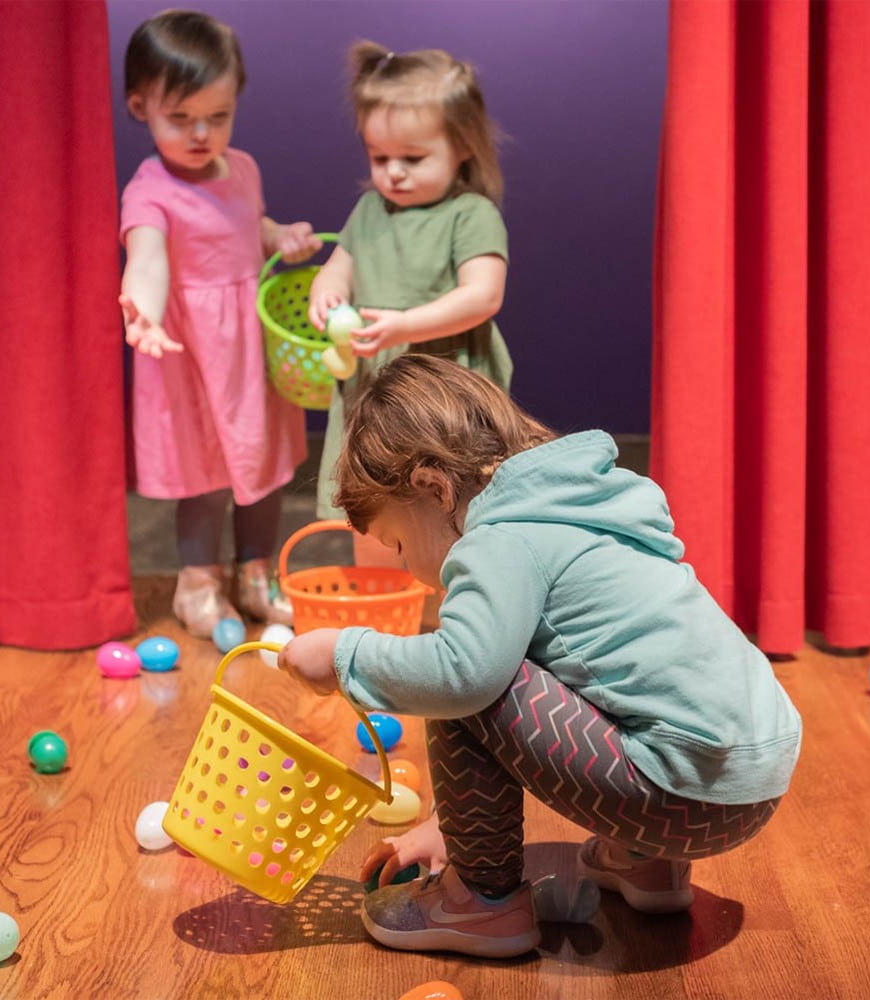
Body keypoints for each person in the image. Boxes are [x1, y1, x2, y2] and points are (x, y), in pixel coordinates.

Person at [278, 355, 802, 959]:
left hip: (679, 795)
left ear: (433, 489)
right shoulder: (583, 508)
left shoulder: (500, 541)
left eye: (397, 542)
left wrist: (347, 656)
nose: (404, 565)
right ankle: (644, 863)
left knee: (460, 672)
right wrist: (449, 827)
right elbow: (606, 668)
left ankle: (481, 903)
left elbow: (464, 677)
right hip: (752, 777)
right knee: (558, 661)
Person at [120, 10, 321, 637]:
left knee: (259, 469)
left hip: (249, 351)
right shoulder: (148, 190)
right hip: (191, 354)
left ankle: (256, 574)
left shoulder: (244, 169)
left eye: (219, 115)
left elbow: (247, 229)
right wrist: (141, 309)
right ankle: (198, 583)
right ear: (140, 107)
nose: (202, 132)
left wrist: (278, 237)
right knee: (203, 476)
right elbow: (147, 257)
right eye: (180, 118)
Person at [307, 41, 512, 568]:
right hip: (376, 389)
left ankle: (456, 625)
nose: (393, 172)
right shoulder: (370, 209)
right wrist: (324, 292)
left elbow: (483, 294)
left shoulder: (470, 214)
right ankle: (387, 619)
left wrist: (405, 325)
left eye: (413, 158)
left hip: (439, 389)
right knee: (376, 507)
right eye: (380, 157)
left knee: (451, 509)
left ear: (462, 144)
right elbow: (339, 265)